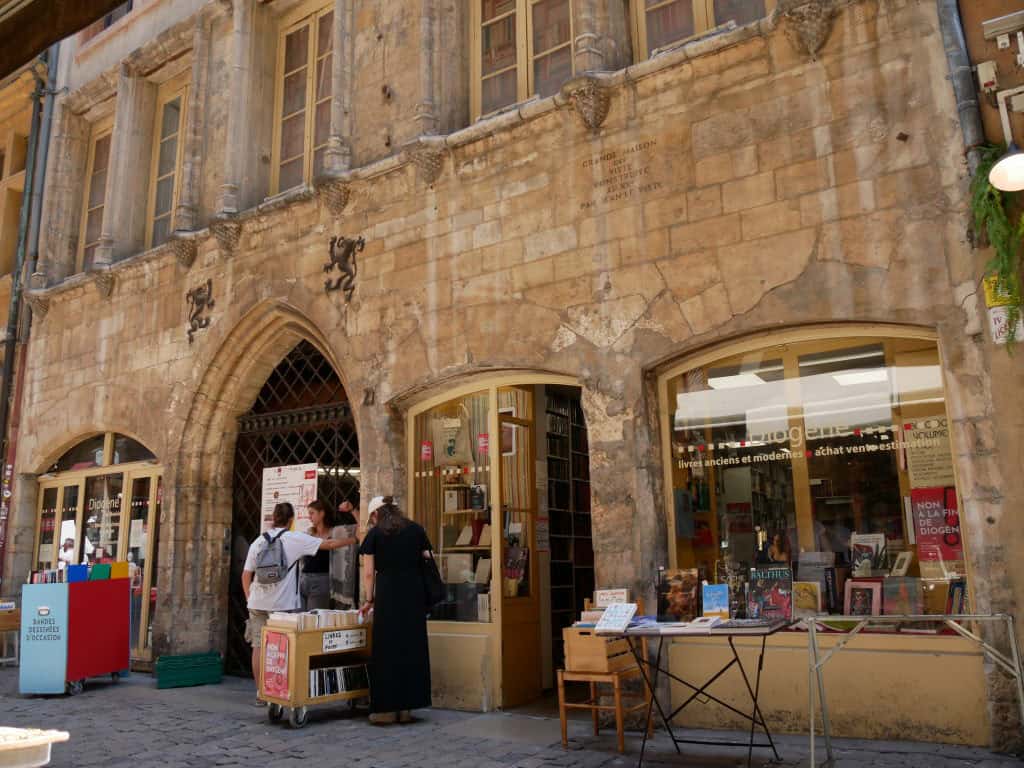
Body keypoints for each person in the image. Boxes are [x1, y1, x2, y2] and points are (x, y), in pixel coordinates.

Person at [242, 502, 351, 702]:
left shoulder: (258, 541)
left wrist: (250, 598)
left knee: (258, 647)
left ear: (273, 518)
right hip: (282, 605)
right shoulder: (294, 538)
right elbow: (328, 545)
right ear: (291, 520)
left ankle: (260, 693)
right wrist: (355, 539)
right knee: (284, 647)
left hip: (257, 602)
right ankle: (281, 690)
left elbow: (246, 574)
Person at [358, 496, 432, 725]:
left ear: (375, 514)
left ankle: (386, 710)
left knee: (387, 648)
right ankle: (406, 709)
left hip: (389, 595)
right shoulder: (416, 530)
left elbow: (369, 573)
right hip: (413, 594)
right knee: (411, 647)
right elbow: (428, 560)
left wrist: (369, 599)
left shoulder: (376, 534)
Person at [301, 500, 359, 610]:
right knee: (301, 620)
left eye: (312, 513)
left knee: (314, 620)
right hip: (304, 581)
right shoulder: (308, 532)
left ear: (322, 513)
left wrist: (352, 510)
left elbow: (363, 528)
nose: (309, 517)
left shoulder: (336, 532)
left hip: (321, 580)